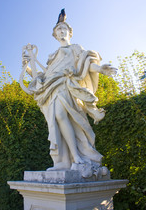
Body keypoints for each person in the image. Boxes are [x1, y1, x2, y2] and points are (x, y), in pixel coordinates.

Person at [21, 12, 117, 171]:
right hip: (51, 88)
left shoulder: (75, 48)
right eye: (58, 29)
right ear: (55, 35)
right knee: (56, 122)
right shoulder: (53, 56)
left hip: (66, 84)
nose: (61, 31)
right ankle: (65, 161)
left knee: (60, 115)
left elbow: (84, 64)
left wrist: (100, 69)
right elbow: (44, 76)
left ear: (70, 32)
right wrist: (28, 68)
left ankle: (77, 157)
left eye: (63, 28)